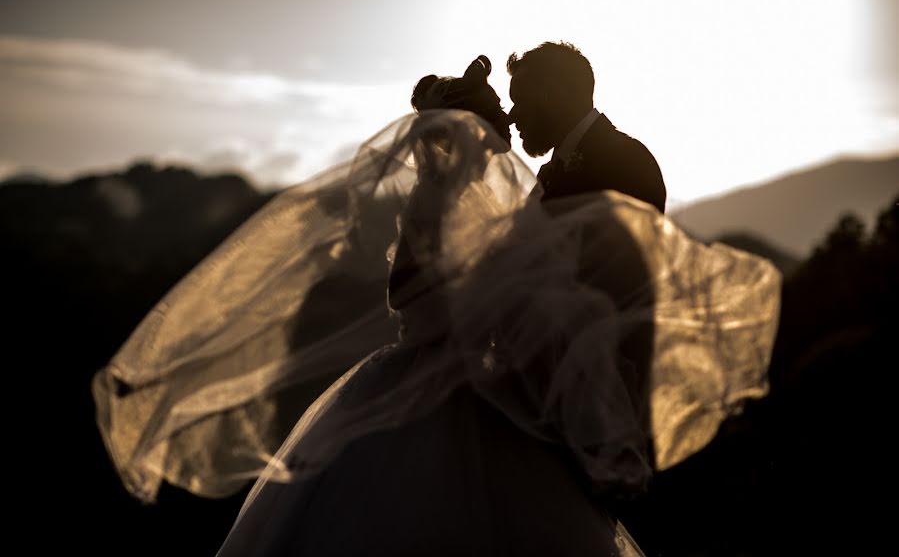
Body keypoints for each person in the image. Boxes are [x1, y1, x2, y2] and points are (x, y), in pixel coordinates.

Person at [93, 56, 781, 556]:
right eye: (497, 115)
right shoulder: (488, 195)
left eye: (518, 101)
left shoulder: (611, 167)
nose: (510, 120)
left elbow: (613, 291)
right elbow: (436, 297)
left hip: (530, 383)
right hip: (478, 387)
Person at [508, 41, 667, 213]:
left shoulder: (628, 160)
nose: (512, 116)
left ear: (554, 97)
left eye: (521, 100)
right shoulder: (548, 174)